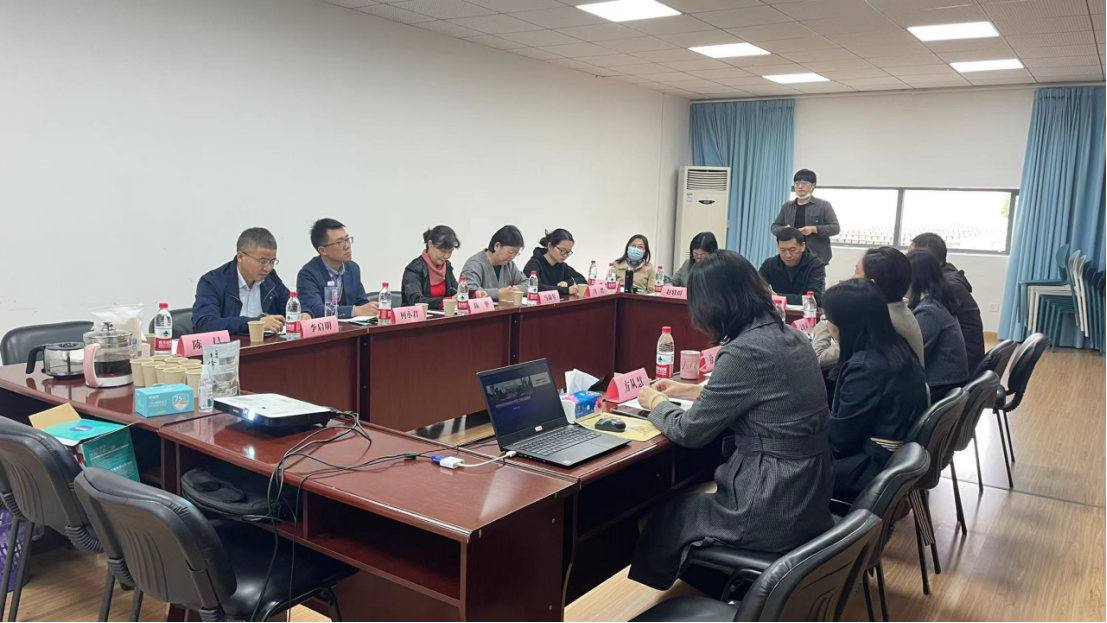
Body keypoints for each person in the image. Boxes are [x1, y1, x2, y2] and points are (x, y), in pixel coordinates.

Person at [630, 250, 834, 591]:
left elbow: (689, 431)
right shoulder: (792, 336)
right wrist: (691, 390)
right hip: (809, 489)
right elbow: (765, 393)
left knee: (668, 512)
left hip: (770, 499)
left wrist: (657, 403)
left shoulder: (744, 351)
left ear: (711, 305)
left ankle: (706, 591)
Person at [823, 279, 930, 500]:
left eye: (828, 319)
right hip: (895, 459)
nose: (827, 325)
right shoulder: (897, 346)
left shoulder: (865, 369)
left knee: (781, 465)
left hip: (870, 468)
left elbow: (840, 441)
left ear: (846, 324)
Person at [813, 247, 926, 370]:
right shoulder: (899, 308)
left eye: (856, 272)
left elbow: (819, 357)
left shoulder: (878, 321)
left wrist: (828, 315)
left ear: (870, 284)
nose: (851, 278)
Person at [193, 228, 308, 335]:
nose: (268, 268)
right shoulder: (212, 282)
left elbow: (289, 305)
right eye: (263, 261)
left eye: (272, 262)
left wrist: (304, 313)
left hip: (266, 345)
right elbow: (205, 324)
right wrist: (256, 324)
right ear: (240, 257)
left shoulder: (270, 278)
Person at [910, 233, 986, 375]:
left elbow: (918, 342)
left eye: (912, 255)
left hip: (959, 368)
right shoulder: (946, 279)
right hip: (960, 362)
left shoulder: (946, 288)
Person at [908, 250, 970, 400]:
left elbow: (910, 355)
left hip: (940, 388)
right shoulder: (938, 300)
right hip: (949, 384)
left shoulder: (929, 311)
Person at [296, 219, 378, 320]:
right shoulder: (308, 274)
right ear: (323, 250)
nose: (347, 246)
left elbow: (362, 303)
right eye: (340, 242)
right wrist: (356, 311)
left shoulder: (352, 268)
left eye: (347, 240)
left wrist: (371, 309)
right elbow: (315, 310)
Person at [772, 169, 840, 264]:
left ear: (813, 185)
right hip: (791, 256)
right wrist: (784, 230)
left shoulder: (824, 205)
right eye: (797, 183)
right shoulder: (787, 206)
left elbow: (835, 228)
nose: (800, 186)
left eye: (804, 183)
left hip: (816, 257)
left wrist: (813, 229)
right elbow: (774, 227)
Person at [402, 226, 472, 310]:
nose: (446, 256)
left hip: (442, 314)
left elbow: (455, 291)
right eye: (443, 251)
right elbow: (416, 300)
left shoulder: (446, 265)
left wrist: (474, 294)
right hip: (417, 316)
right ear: (430, 244)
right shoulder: (414, 269)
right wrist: (445, 302)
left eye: (450, 252)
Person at [759, 227, 827, 305]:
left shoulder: (815, 266)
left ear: (802, 246)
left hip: (806, 311)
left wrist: (777, 297)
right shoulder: (769, 264)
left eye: (792, 249)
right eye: (783, 250)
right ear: (777, 247)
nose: (788, 255)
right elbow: (756, 288)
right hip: (777, 310)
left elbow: (813, 298)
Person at [460, 226, 527, 303]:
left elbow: (528, 284)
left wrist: (515, 290)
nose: (512, 256)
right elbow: (468, 290)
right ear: (497, 246)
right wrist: (498, 294)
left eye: (516, 253)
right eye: (511, 252)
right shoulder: (474, 264)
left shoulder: (509, 265)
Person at [522, 229, 587, 297]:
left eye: (568, 252)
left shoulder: (562, 266)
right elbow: (535, 288)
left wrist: (567, 283)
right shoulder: (533, 265)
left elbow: (582, 281)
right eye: (562, 250)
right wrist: (565, 290)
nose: (565, 255)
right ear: (550, 246)